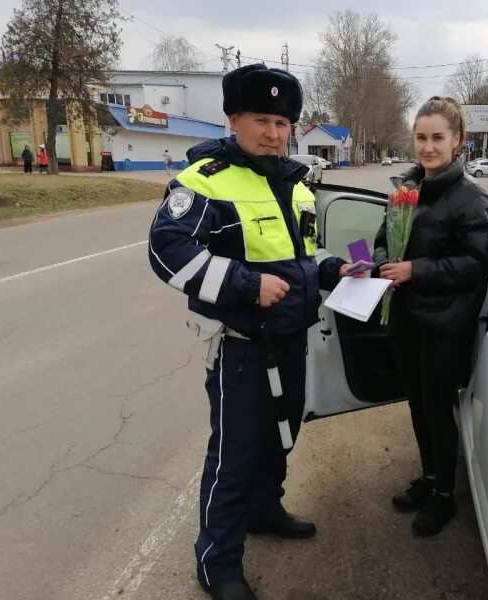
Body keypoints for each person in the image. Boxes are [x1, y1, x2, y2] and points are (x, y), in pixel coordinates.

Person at [148, 63, 359, 600]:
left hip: (290, 342)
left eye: (283, 122)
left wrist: (338, 270)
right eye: (261, 119)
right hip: (241, 351)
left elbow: (303, 257)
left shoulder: (297, 187)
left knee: (281, 438)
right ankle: (217, 564)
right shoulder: (205, 181)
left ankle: (265, 510)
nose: (273, 132)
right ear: (234, 119)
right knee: (234, 455)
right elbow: (166, 251)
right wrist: (245, 284)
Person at [373, 96, 488, 537]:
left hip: (444, 325)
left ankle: (444, 495)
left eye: (438, 138)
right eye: (422, 137)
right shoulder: (406, 188)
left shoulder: (470, 198)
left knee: (437, 410)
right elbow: (382, 241)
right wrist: (367, 265)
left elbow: (475, 264)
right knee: (416, 404)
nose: (428, 147)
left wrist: (415, 270)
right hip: (405, 319)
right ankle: (428, 479)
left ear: (457, 141)